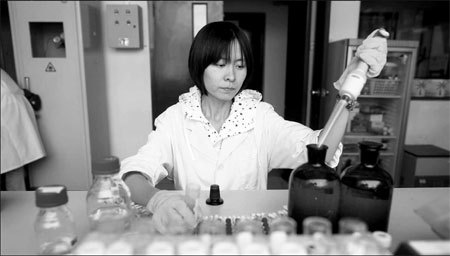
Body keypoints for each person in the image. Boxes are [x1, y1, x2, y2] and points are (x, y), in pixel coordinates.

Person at [117, 21, 388, 234]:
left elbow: (322, 152)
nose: (231, 76)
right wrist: (158, 200)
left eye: (239, 65)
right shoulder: (175, 118)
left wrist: (348, 93)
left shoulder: (259, 116)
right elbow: (134, 174)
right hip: (193, 230)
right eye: (220, 64)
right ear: (200, 66)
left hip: (250, 232)